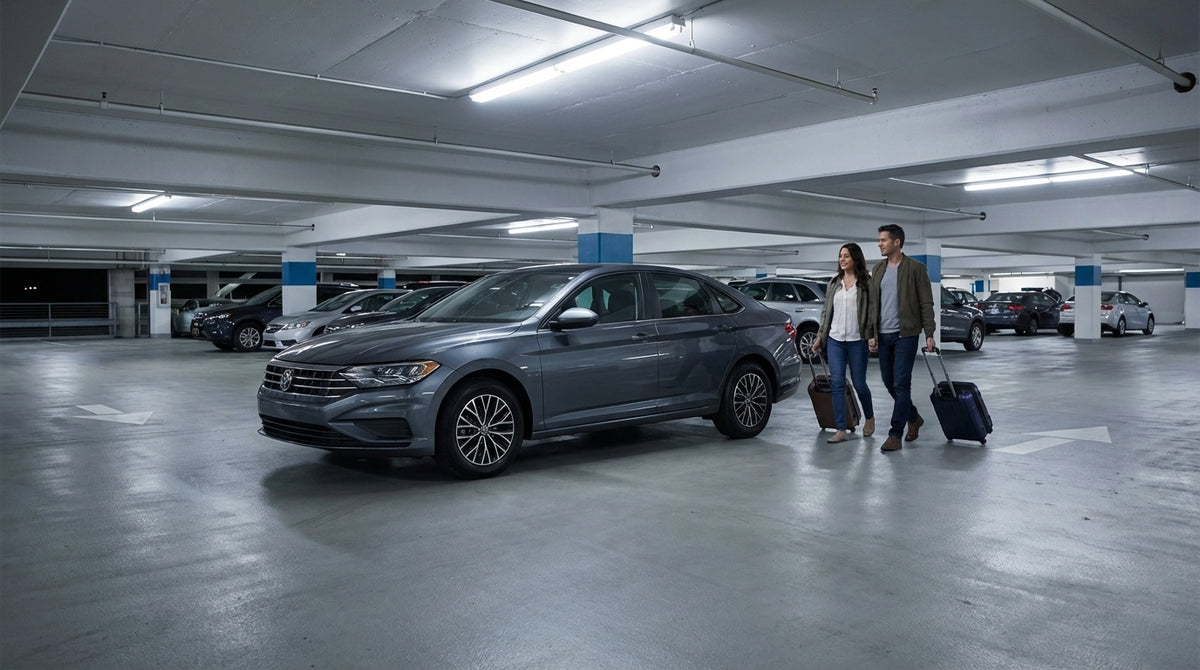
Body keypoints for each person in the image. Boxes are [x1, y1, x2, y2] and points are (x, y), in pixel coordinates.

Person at [867, 224, 936, 452]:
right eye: (879, 240)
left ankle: (895, 433)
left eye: (883, 240)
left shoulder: (916, 268)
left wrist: (929, 333)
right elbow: (872, 304)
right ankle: (914, 417)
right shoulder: (878, 270)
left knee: (901, 383)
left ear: (897, 242)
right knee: (889, 382)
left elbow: (926, 302)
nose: (880, 244)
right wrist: (871, 333)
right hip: (883, 335)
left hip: (906, 335)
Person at [811, 243, 875, 443]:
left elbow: (873, 311)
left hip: (858, 340)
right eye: (840, 256)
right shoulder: (834, 282)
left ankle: (870, 418)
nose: (842, 259)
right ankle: (840, 428)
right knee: (837, 383)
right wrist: (821, 335)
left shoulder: (865, 283)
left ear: (855, 258)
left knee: (859, 383)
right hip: (835, 340)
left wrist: (872, 335)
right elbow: (826, 312)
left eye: (846, 256)